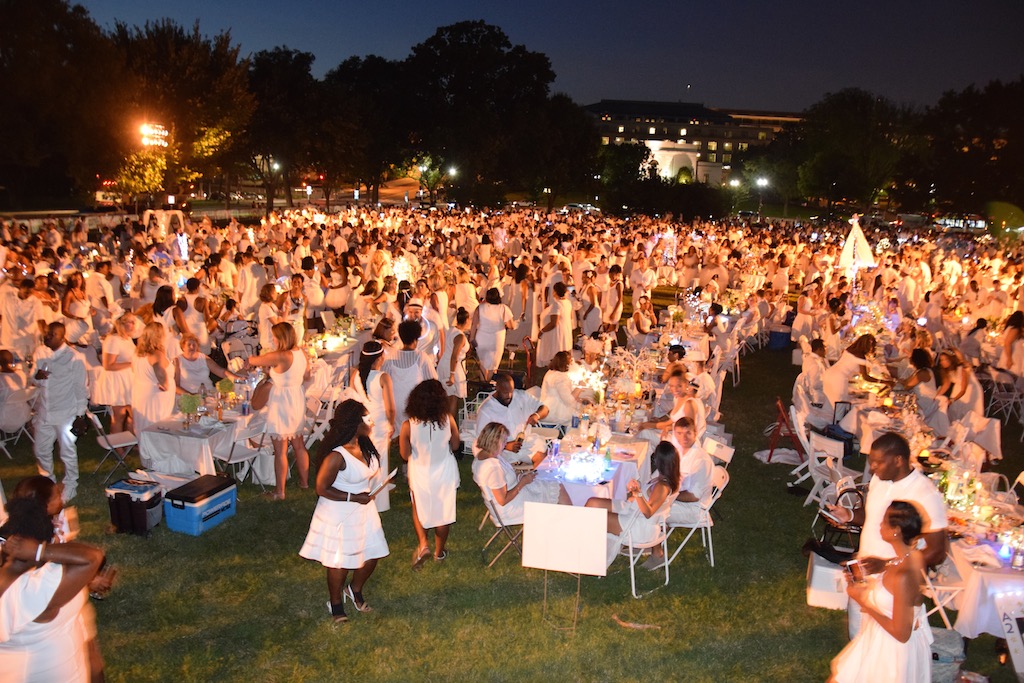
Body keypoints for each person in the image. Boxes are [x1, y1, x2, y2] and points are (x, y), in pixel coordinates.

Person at [826, 432, 947, 639]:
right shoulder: (879, 479)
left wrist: (888, 564)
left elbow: (937, 552)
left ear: (898, 460)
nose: (871, 468)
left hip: (895, 581)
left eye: (878, 463)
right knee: (859, 638)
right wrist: (849, 515)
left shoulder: (925, 494)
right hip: (864, 569)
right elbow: (873, 516)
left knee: (884, 644)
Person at [299, 400, 390, 624]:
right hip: (339, 512)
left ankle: (354, 589)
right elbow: (321, 488)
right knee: (339, 561)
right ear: (355, 424)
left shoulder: (365, 444)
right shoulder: (337, 456)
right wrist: (353, 497)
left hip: (363, 509)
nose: (372, 422)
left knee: (372, 555)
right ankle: (336, 602)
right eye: (367, 419)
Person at [0, 496, 105, 682]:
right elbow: (92, 557)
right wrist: (40, 551)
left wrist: (89, 583)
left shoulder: (48, 575)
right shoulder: (28, 590)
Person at [829, 501, 933, 682]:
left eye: (884, 521)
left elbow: (901, 634)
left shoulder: (903, 576)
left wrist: (862, 601)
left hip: (891, 653)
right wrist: (880, 566)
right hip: (877, 639)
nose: (879, 525)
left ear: (896, 531)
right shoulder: (912, 556)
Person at [561, 441, 678, 568]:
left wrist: (637, 493)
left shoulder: (662, 486)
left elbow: (648, 512)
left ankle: (583, 554)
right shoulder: (660, 479)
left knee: (593, 516)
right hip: (632, 512)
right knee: (592, 503)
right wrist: (635, 493)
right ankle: (584, 548)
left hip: (638, 526)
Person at [399, 379, 461, 569]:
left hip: (421, 472)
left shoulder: (408, 425)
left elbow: (404, 454)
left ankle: (424, 544)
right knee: (443, 512)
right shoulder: (448, 420)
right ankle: (439, 552)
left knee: (419, 507)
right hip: (444, 472)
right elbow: (456, 445)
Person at [246, 322, 310, 500]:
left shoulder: (281, 356)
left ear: (281, 338)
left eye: (274, 336)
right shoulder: (301, 353)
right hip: (296, 398)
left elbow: (254, 360)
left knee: (280, 449)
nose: (272, 339)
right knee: (299, 444)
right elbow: (307, 376)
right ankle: (304, 482)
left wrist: (249, 362)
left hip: (282, 402)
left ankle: (279, 491)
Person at [644, 418, 715, 569]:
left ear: (695, 433)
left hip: (696, 508)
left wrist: (666, 497)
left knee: (656, 510)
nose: (683, 437)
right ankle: (647, 539)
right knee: (649, 501)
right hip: (679, 498)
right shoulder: (680, 451)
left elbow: (693, 496)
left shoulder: (701, 460)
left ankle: (657, 554)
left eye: (688, 433)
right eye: (679, 433)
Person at [32, 322, 88, 503]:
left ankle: (71, 484)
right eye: (46, 334)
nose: (47, 337)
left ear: (61, 336)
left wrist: (80, 415)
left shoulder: (75, 358)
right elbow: (33, 378)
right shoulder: (40, 352)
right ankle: (48, 482)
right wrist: (36, 377)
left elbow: (81, 388)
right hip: (45, 411)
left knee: (67, 451)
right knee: (40, 449)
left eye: (51, 335)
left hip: (66, 412)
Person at [471, 422, 556, 521]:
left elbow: (505, 478)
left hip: (514, 495)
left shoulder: (483, 456)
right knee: (554, 491)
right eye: (504, 442)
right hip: (510, 508)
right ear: (495, 442)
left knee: (550, 485)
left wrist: (522, 476)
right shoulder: (493, 468)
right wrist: (522, 482)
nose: (505, 445)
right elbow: (503, 500)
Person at [348, 341, 396, 513]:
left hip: (363, 422)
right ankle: (378, 502)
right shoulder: (383, 377)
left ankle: (362, 491)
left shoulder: (356, 376)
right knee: (380, 461)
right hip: (380, 422)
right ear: (380, 357)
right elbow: (390, 407)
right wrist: (392, 423)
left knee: (366, 457)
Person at [475, 373, 550, 466]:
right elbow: (482, 440)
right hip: (500, 450)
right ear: (497, 388)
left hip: (525, 443)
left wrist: (536, 415)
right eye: (505, 392)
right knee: (508, 473)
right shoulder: (486, 409)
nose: (510, 395)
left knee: (544, 461)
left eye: (511, 391)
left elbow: (545, 409)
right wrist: (506, 446)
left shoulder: (521, 396)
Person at [382, 320, 437, 431]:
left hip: (394, 404)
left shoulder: (390, 358)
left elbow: (382, 381)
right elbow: (433, 382)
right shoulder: (421, 357)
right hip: (415, 405)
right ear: (416, 338)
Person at [94, 313, 137, 435]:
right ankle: (118, 447)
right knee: (119, 416)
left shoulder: (127, 339)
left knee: (134, 414)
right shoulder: (113, 339)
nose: (133, 325)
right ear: (121, 324)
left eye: (134, 322)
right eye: (130, 322)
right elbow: (108, 365)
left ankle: (129, 441)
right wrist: (131, 364)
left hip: (127, 380)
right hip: (117, 382)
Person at [131, 321, 176, 436]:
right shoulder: (156, 354)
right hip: (155, 397)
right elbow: (159, 371)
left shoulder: (138, 353)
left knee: (144, 424)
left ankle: (146, 450)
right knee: (156, 424)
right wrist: (166, 385)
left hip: (141, 393)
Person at [822, 334, 887, 407]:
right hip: (838, 379)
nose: (872, 349)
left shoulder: (850, 349)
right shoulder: (860, 356)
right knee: (840, 406)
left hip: (829, 374)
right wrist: (884, 382)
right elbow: (866, 377)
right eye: (872, 346)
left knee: (829, 404)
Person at [470, 288, 514, 383]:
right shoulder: (503, 308)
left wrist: (471, 338)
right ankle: (488, 384)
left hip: (481, 339)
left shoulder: (480, 307)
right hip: (496, 340)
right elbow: (511, 325)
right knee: (493, 365)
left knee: (482, 363)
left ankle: (483, 383)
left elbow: (474, 324)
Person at [438, 307, 470, 418]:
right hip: (452, 367)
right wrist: (452, 375)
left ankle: (445, 421)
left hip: (444, 363)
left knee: (448, 396)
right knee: (453, 397)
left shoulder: (451, 330)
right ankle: (450, 423)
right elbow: (454, 356)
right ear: (466, 320)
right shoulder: (460, 337)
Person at [936, 350, 984, 422]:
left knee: (966, 410)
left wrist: (952, 400)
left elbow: (963, 389)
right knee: (954, 409)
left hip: (970, 389)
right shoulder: (946, 370)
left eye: (945, 359)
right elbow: (946, 385)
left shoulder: (962, 369)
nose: (942, 362)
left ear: (951, 360)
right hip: (958, 387)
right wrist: (936, 396)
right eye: (941, 360)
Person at [539, 351, 585, 426]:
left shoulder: (551, 372)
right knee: (582, 415)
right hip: (554, 412)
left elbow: (565, 394)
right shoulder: (560, 378)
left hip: (549, 406)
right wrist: (580, 386)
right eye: (570, 362)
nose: (572, 364)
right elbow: (569, 400)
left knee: (582, 408)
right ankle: (573, 434)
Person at [536, 281, 573, 368]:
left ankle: (554, 363)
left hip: (557, 332)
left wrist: (542, 331)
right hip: (565, 329)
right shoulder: (567, 302)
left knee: (555, 348)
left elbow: (554, 323)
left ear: (555, 292)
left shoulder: (557, 304)